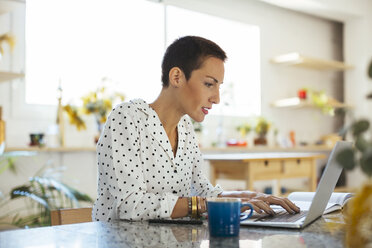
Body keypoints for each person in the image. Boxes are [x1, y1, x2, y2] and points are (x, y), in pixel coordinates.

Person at [92, 36, 300, 222]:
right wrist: (205, 204)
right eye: (209, 84)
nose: (216, 98)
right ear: (176, 77)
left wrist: (250, 197)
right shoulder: (127, 118)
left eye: (219, 87)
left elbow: (202, 191)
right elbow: (130, 205)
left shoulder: (185, 128)